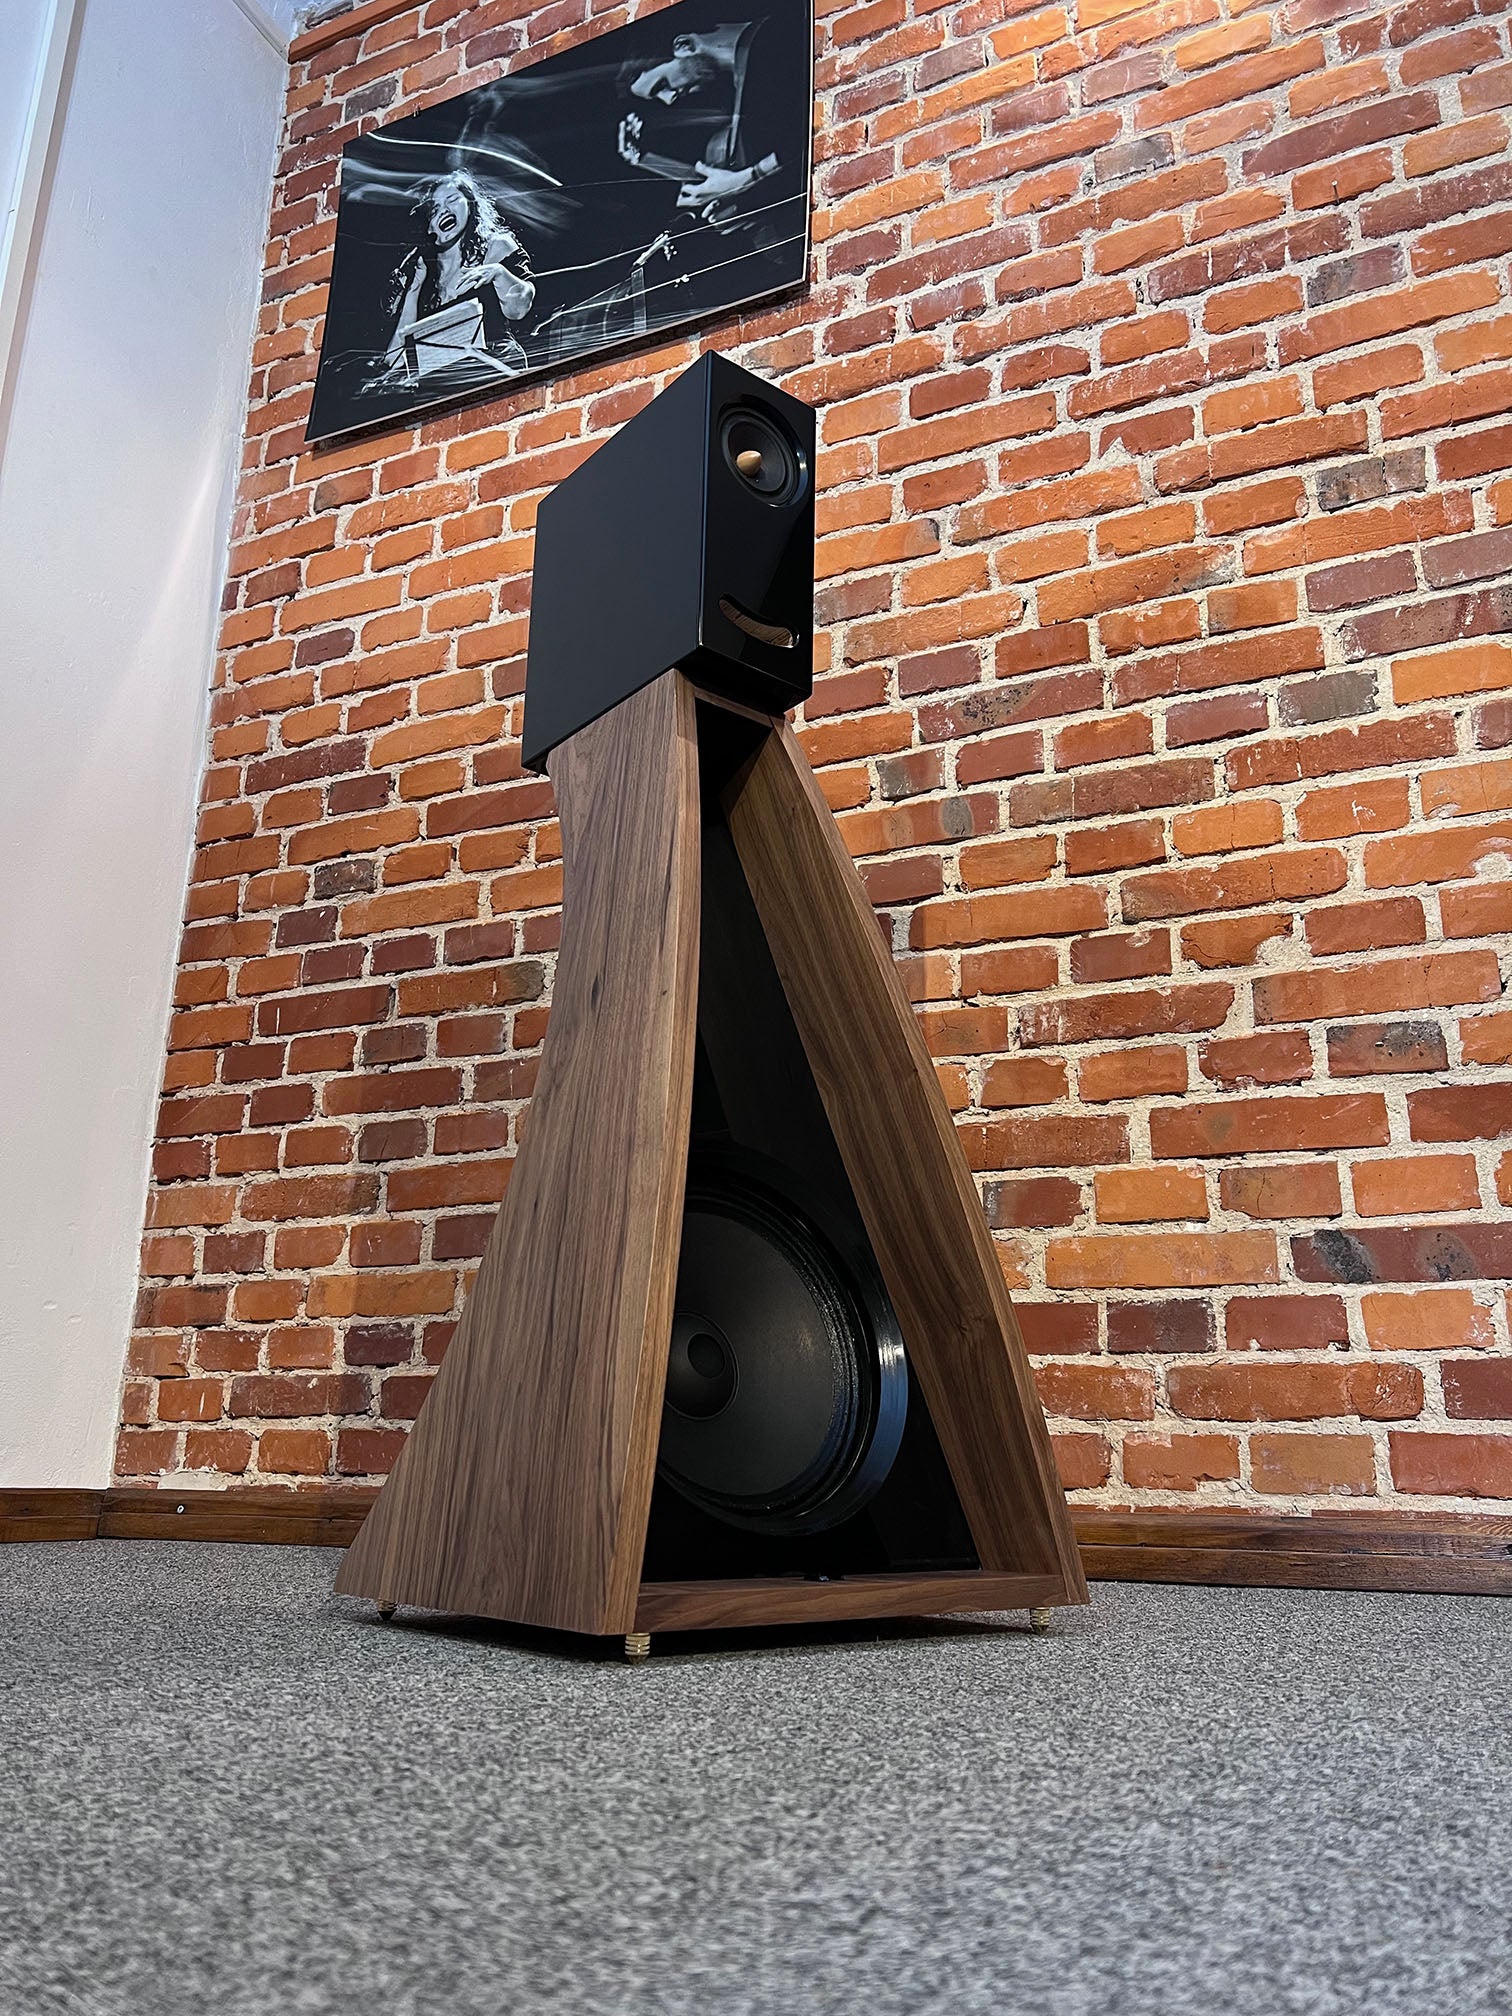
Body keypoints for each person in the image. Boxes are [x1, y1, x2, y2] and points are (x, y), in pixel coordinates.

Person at [618, 21, 796, 223]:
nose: (668, 100)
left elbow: (803, 141)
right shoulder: (744, 76)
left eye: (662, 84)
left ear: (684, 45)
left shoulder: (774, 44)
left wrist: (750, 177)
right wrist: (644, 158)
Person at [383, 170, 535, 382]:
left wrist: (498, 273)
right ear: (429, 225)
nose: (443, 211)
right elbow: (395, 358)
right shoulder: (426, 274)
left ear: (470, 204)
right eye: (434, 211)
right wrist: (414, 288)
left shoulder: (495, 247)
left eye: (452, 200)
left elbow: (519, 309)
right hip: (446, 381)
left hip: (496, 369)